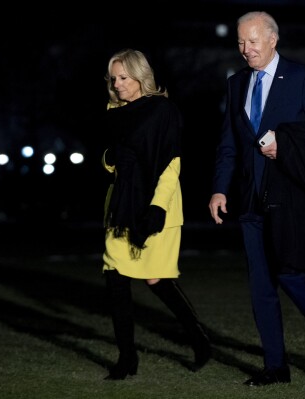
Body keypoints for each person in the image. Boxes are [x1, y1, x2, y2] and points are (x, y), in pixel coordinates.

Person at [208, 11, 305, 386]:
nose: (245, 49)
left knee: (288, 272)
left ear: (273, 40)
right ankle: (275, 367)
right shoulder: (236, 84)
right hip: (249, 200)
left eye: (252, 41)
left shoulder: (301, 79)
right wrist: (220, 188)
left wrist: (284, 144)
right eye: (240, 42)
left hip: (289, 197)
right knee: (260, 285)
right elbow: (229, 143)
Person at [101, 48, 210, 380]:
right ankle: (127, 358)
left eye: (123, 77)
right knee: (114, 276)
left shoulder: (163, 111)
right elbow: (109, 163)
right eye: (113, 78)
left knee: (155, 278)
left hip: (155, 206)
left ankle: (200, 341)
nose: (117, 84)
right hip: (121, 207)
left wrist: (157, 207)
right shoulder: (113, 111)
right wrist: (112, 158)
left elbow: (171, 163)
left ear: (140, 77)